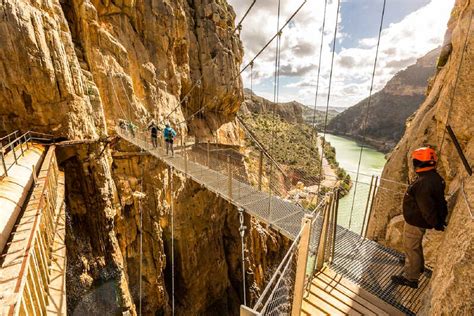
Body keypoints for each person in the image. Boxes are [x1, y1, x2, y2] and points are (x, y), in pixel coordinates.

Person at [391, 146, 448, 288]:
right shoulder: (433, 177)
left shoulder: (424, 182)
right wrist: (437, 221)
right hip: (419, 220)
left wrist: (435, 223)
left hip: (416, 222)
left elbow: (426, 207)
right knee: (414, 246)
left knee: (411, 248)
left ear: (418, 163)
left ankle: (411, 278)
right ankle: (417, 266)